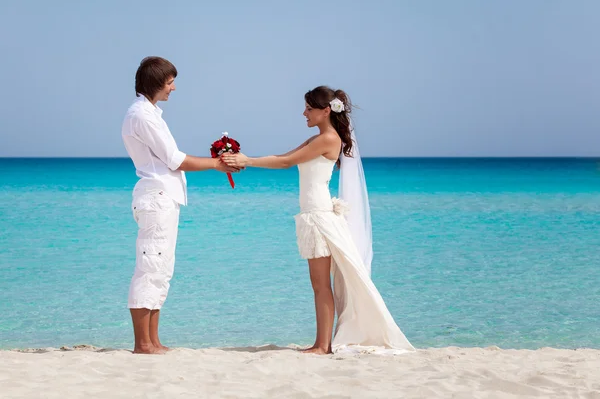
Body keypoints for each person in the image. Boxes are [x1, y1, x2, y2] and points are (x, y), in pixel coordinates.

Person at [222, 86, 414, 354]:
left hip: (319, 217)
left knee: (321, 285)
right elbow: (282, 158)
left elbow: (287, 163)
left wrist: (248, 160)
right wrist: (242, 161)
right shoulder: (318, 138)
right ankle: (321, 343)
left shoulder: (327, 139)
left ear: (326, 111)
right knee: (320, 284)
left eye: (309, 108)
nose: (304, 113)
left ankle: (322, 345)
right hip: (314, 214)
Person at [122, 56, 238, 354]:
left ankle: (153, 340)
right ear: (156, 83)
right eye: (170, 82)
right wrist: (217, 164)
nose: (173, 88)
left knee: (162, 268)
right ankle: (143, 344)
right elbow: (175, 159)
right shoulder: (143, 117)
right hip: (156, 196)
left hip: (163, 198)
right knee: (150, 267)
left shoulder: (150, 114)